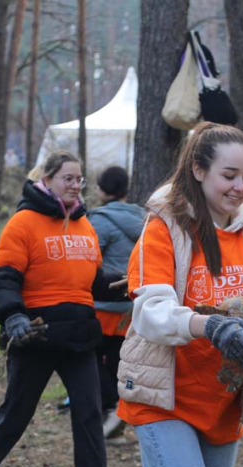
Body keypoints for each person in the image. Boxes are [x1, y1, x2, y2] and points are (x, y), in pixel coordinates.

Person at [116, 122, 243, 467]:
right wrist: (208, 325)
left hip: (222, 401)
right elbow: (150, 313)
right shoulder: (164, 230)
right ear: (198, 170)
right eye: (229, 176)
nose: (240, 187)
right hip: (164, 400)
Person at [0, 150, 134, 467]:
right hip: (35, 336)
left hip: (81, 336)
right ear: (48, 179)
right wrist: (12, 317)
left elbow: (92, 282)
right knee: (16, 414)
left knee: (88, 415)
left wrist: (126, 286)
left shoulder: (85, 225)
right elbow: (3, 278)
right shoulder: (23, 223)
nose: (74, 185)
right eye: (67, 178)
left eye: (79, 179)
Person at [83, 166, 144, 442]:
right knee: (120, 360)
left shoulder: (97, 221)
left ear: (100, 189)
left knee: (93, 360)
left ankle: (113, 410)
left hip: (102, 304)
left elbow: (89, 261)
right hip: (132, 304)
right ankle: (120, 409)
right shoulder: (143, 219)